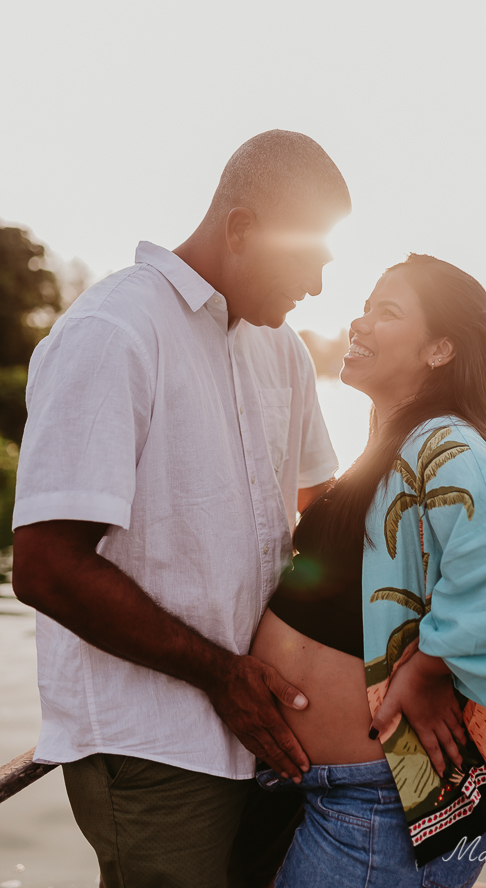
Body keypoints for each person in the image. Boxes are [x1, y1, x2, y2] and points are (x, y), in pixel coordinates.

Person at [11, 130, 351, 888]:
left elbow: (321, 514)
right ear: (241, 230)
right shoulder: (114, 332)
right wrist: (220, 675)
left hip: (269, 734)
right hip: (153, 751)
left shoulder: (281, 348)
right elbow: (43, 567)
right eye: (308, 259)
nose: (319, 288)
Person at [248, 253, 486, 888]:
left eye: (388, 311)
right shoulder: (394, 447)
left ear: (439, 350)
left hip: (375, 807)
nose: (361, 321)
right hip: (342, 796)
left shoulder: (443, 443)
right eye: (367, 305)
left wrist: (431, 668)